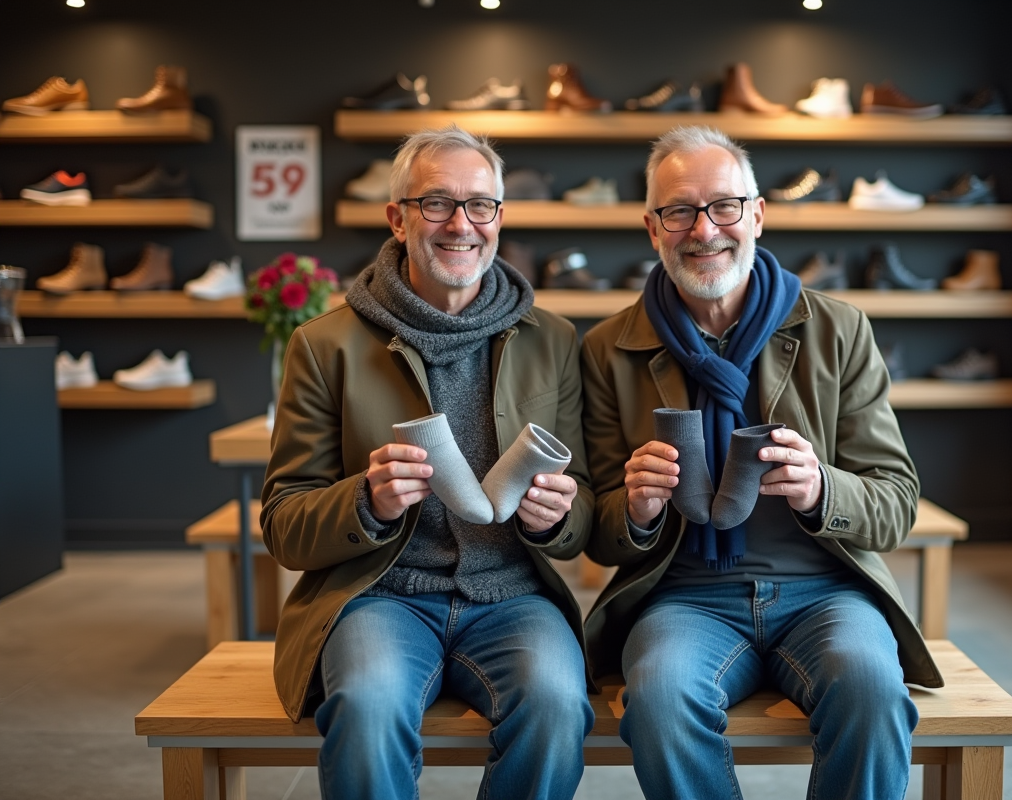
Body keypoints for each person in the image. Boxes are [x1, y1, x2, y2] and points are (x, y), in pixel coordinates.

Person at [579, 125, 944, 800]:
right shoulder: (607, 350)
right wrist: (634, 509)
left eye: (724, 206)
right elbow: (597, 537)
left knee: (871, 691)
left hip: (827, 593)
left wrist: (820, 489)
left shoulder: (838, 330)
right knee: (658, 699)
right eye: (679, 211)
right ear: (652, 228)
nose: (704, 230)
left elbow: (895, 505)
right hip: (683, 598)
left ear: (757, 215)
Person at [261, 124, 594, 800]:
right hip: (377, 597)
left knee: (558, 704)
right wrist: (367, 502)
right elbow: (283, 524)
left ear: (499, 217)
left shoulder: (553, 340)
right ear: (397, 218)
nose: (461, 224)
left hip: (513, 597)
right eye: (437, 202)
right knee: (366, 707)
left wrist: (557, 516)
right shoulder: (324, 345)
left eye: (481, 205)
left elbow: (582, 507)